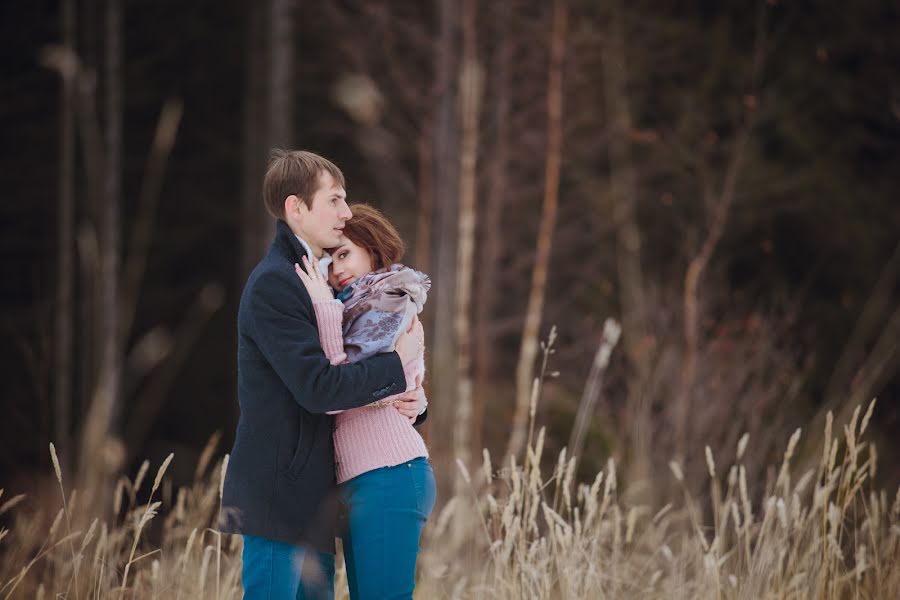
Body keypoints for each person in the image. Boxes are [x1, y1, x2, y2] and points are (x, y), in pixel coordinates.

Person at [219, 150, 427, 600]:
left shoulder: (323, 283)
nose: (346, 212)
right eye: (334, 200)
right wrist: (395, 368)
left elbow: (357, 359)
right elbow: (320, 388)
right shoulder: (277, 283)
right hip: (279, 494)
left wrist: (414, 390)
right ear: (296, 208)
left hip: (314, 496)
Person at [294, 204, 436, 600]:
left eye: (344, 254)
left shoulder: (388, 299)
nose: (336, 270)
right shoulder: (355, 305)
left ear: (372, 249)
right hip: (360, 479)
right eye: (329, 260)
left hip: (388, 474)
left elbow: (340, 385)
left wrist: (323, 306)